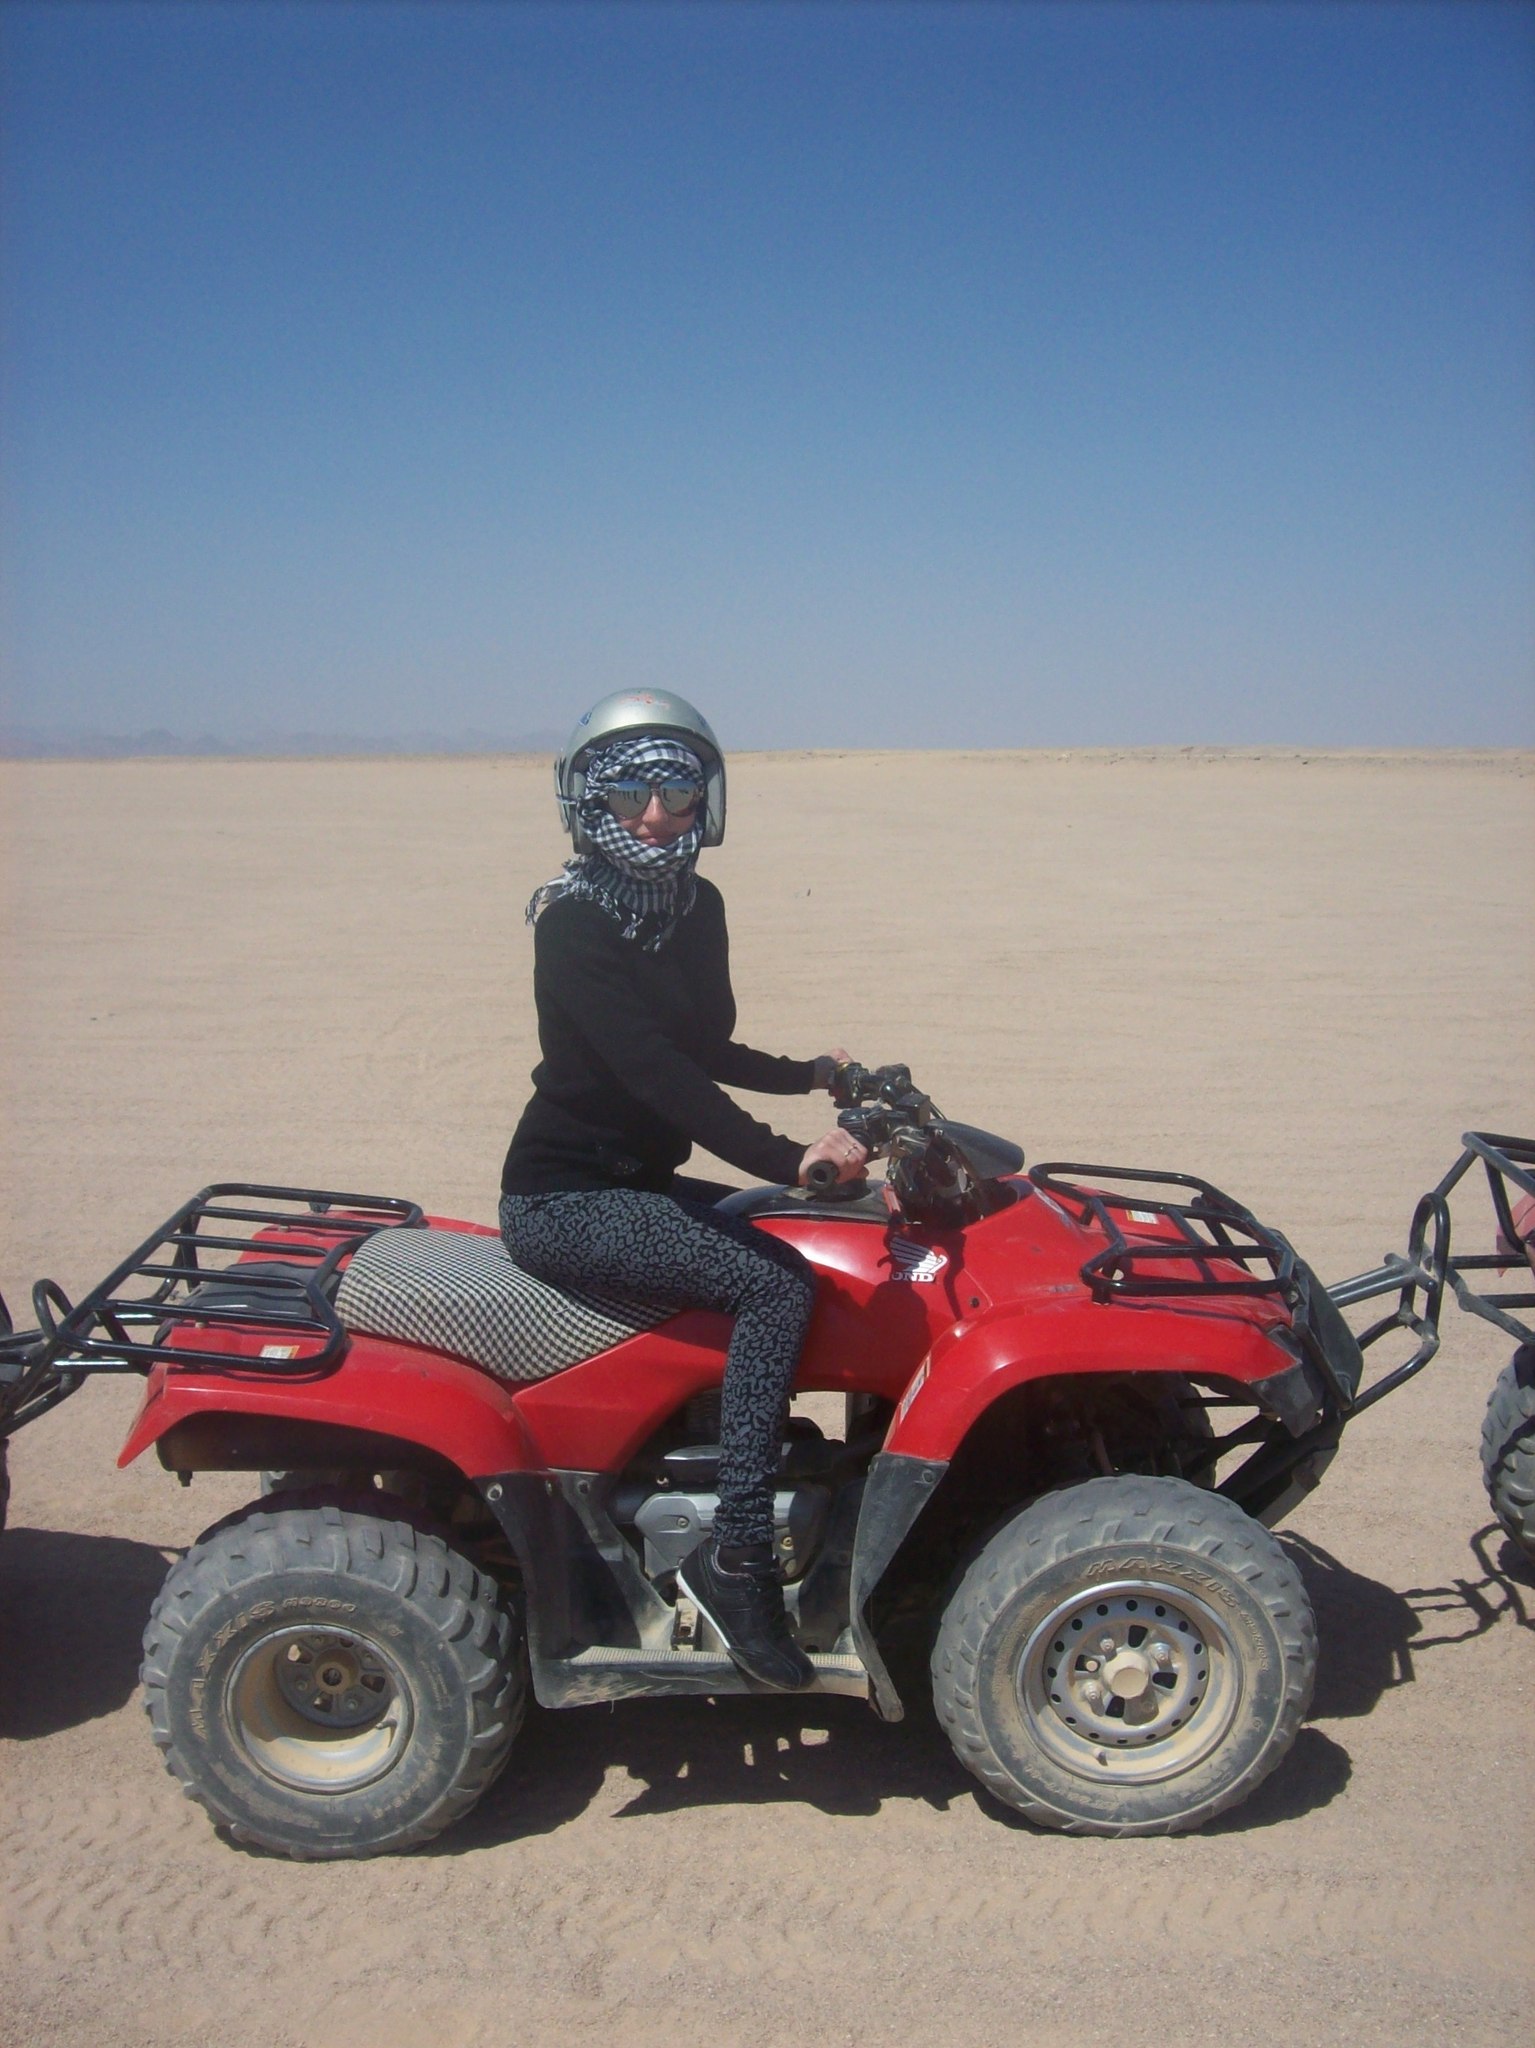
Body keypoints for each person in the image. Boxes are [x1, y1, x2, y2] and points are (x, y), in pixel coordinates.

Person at [499, 689, 867, 1690]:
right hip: (564, 1199)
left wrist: (812, 1073)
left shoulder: (697, 907)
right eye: (629, 794)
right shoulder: (570, 924)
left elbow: (702, 1044)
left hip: (644, 1180)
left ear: (707, 796)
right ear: (589, 802)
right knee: (774, 1285)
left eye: (676, 789)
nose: (656, 814)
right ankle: (738, 1558)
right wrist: (788, 1157)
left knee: (817, 1236)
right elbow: (653, 1071)